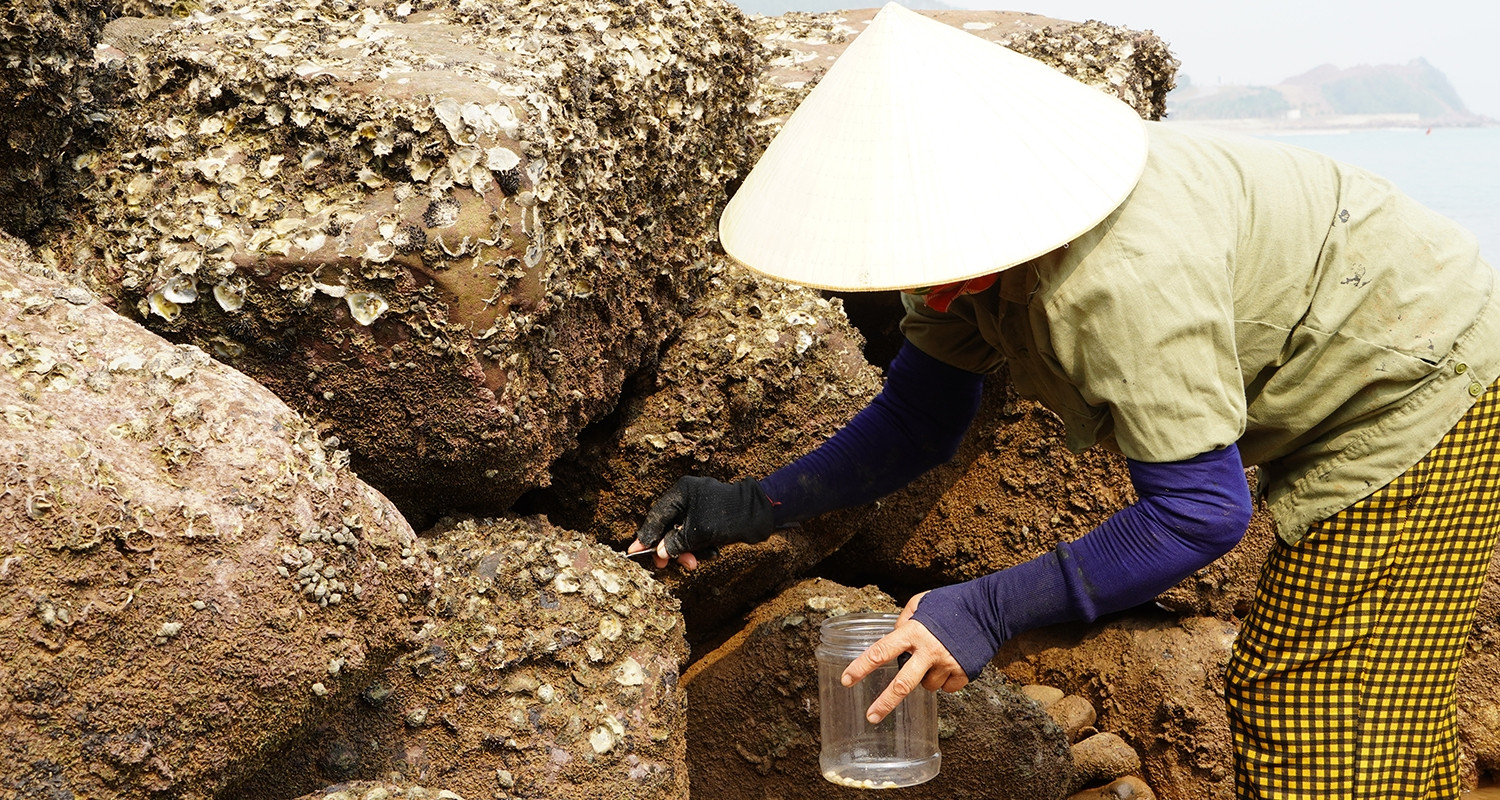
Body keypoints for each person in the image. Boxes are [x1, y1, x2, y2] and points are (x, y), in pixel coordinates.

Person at [629, 4, 1500, 797]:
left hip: (1420, 380)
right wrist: (748, 505)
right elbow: (917, 419)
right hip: (1376, 353)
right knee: (1379, 717)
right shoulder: (957, 263)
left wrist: (986, 609)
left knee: (1313, 709)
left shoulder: (1114, 277)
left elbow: (1198, 513)